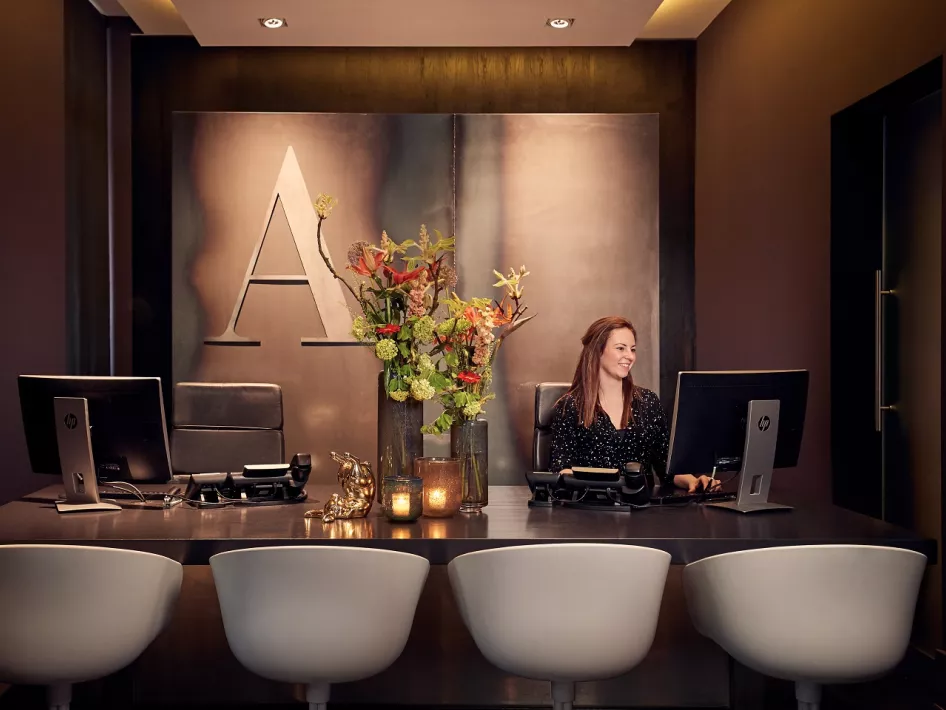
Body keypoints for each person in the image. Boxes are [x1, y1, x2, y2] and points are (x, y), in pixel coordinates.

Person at [549, 316, 719, 493]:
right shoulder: (570, 405)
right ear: (598, 351)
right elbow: (560, 468)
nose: (630, 356)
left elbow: (666, 467)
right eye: (621, 348)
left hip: (642, 511)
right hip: (590, 510)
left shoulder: (648, 401)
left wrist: (695, 481)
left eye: (632, 349)